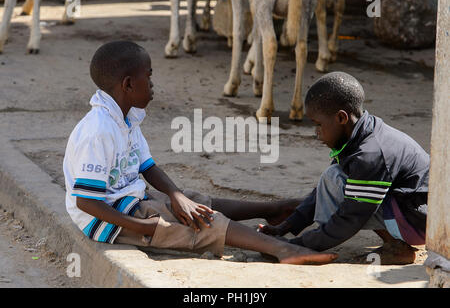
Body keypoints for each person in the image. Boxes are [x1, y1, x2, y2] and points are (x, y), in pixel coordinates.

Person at [62, 40, 337, 265]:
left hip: (129, 198)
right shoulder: (98, 131)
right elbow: (87, 202)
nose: (153, 84)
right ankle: (282, 250)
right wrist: (143, 227)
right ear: (128, 85)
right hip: (113, 220)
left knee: (195, 201)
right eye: (149, 76)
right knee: (202, 223)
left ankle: (274, 209)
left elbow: (147, 166)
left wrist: (176, 195)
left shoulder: (126, 116)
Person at [260, 71, 429, 265]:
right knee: (338, 180)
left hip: (420, 221)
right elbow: (320, 194)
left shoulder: (370, 154)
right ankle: (394, 240)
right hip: (410, 210)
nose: (316, 132)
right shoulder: (361, 132)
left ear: (341, 118)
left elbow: (350, 217)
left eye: (318, 124)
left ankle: (397, 247)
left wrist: (294, 247)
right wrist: (284, 227)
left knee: (336, 180)